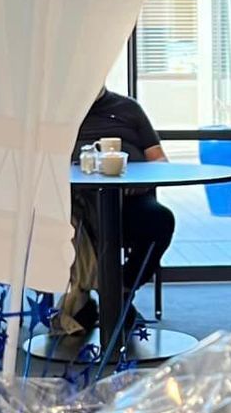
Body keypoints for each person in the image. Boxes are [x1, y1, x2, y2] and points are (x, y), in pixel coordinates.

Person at [69, 88, 175, 327]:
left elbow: (159, 159)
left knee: (161, 221)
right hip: (78, 202)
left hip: (132, 198)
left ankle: (121, 289)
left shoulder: (128, 108)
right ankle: (111, 297)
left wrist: (141, 182)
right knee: (74, 225)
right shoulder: (60, 111)